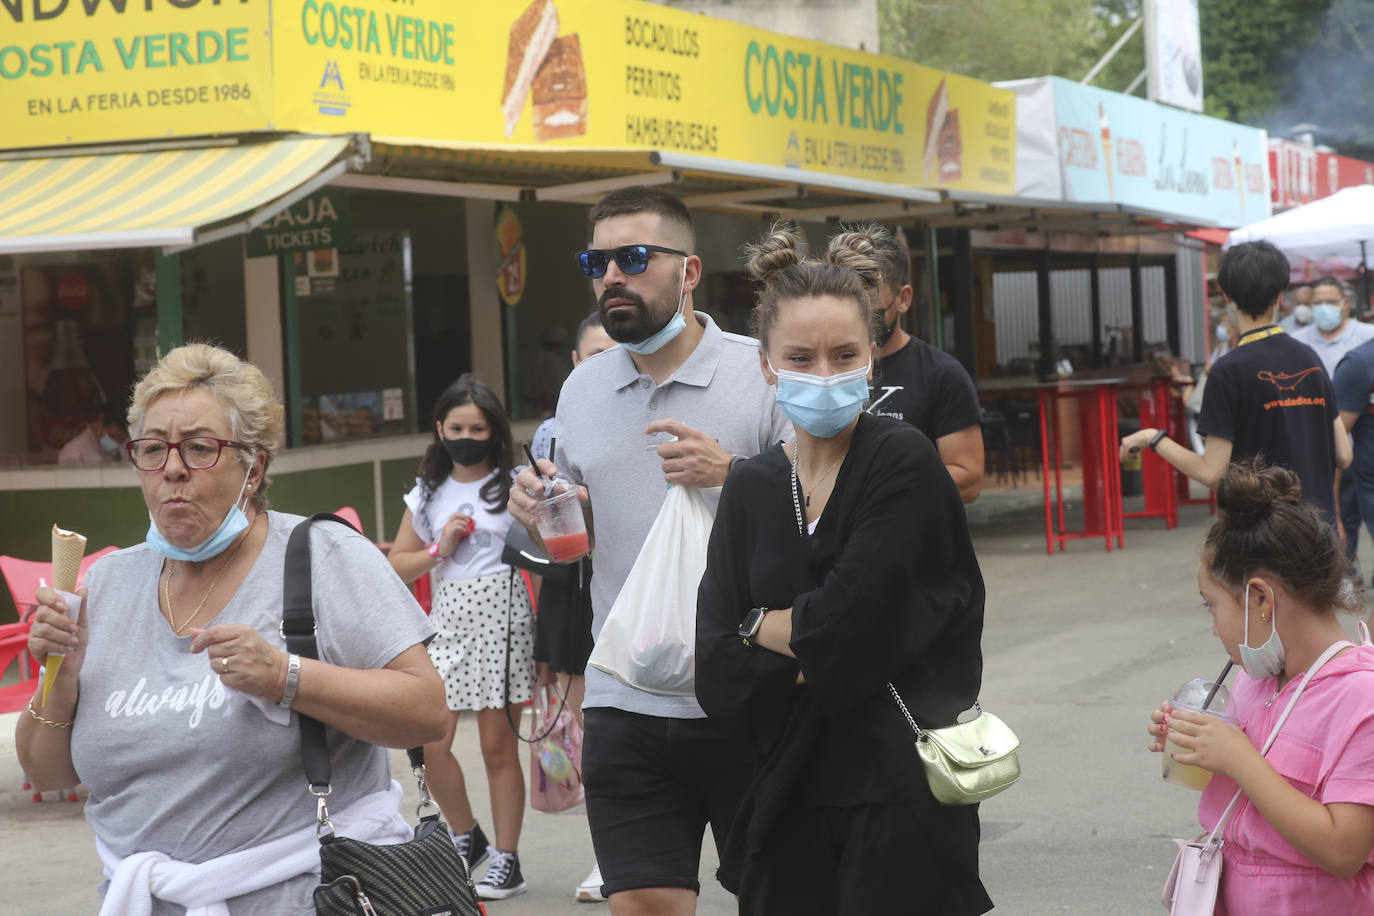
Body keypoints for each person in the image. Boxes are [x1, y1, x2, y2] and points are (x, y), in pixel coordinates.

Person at [15, 342, 447, 915]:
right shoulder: (107, 586)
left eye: (199, 448)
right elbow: (46, 771)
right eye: (153, 449)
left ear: (254, 466)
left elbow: (427, 712)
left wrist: (284, 676)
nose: (173, 468)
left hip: (313, 896)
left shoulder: (323, 556)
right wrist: (59, 681)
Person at [695, 223, 992, 914]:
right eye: (800, 356)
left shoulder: (902, 460)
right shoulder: (753, 485)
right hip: (781, 798)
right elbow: (714, 667)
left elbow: (844, 630)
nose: (823, 375)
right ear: (767, 363)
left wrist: (759, 626)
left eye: (843, 354)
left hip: (896, 798)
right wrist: (798, 636)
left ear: (871, 360)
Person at [510, 185, 791, 913]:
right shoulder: (582, 389)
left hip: (752, 694)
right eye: (596, 261)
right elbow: (575, 544)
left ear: (689, 271)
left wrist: (733, 475)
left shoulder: (759, 373)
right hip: (623, 700)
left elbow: (823, 518)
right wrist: (540, 516)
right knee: (642, 904)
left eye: (633, 257)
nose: (611, 276)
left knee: (780, 893)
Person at [1147, 460, 1374, 913]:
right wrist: (1199, 745)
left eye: (1212, 607)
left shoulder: (1360, 699)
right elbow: (1249, 802)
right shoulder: (1256, 681)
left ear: (1260, 599)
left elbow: (1343, 850)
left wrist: (1238, 759)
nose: (1214, 629)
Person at [387, 374, 533, 900]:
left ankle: (508, 860)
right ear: (439, 429)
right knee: (430, 739)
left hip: (504, 619)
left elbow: (543, 550)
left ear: (494, 429)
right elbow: (398, 565)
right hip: (447, 621)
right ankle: (467, 835)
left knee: (498, 746)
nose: (467, 435)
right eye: (457, 426)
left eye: (478, 426)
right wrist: (440, 547)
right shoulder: (427, 491)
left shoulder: (515, 480)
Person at [1120, 241, 1351, 521]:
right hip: (1318, 537)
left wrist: (1153, 438)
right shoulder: (1310, 358)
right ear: (1279, 295)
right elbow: (1343, 455)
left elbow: (1212, 473)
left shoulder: (1227, 370)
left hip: (1262, 539)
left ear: (1227, 297)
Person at [527, 309, 616, 903]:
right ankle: (608, 856)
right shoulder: (550, 433)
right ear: (576, 365)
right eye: (593, 356)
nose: (603, 365)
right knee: (590, 729)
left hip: (634, 588)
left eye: (615, 353)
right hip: (569, 589)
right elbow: (541, 528)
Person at [866, 231, 983, 502]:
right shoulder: (826, 374)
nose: (861, 323)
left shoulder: (941, 374)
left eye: (873, 312)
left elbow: (969, 478)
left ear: (903, 299)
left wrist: (882, 486)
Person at [1291, 276, 1374, 576]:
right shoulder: (1298, 342)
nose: (1323, 308)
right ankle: (1343, 570)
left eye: (1330, 301)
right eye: (1317, 303)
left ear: (1345, 305)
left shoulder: (1366, 338)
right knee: (1335, 517)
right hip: (1324, 447)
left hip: (1359, 445)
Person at [57, 404, 127, 465]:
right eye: (112, 436)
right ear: (100, 420)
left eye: (122, 440)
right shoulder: (72, 455)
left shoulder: (127, 447)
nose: (116, 444)